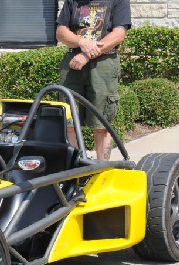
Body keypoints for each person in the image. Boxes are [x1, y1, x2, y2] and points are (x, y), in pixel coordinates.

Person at [56, 0, 131, 160]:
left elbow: (118, 34)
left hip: (103, 63)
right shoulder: (72, 1)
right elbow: (61, 31)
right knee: (69, 121)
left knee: (101, 124)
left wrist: (86, 54)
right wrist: (81, 42)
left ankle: (101, 171)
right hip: (72, 63)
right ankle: (75, 167)